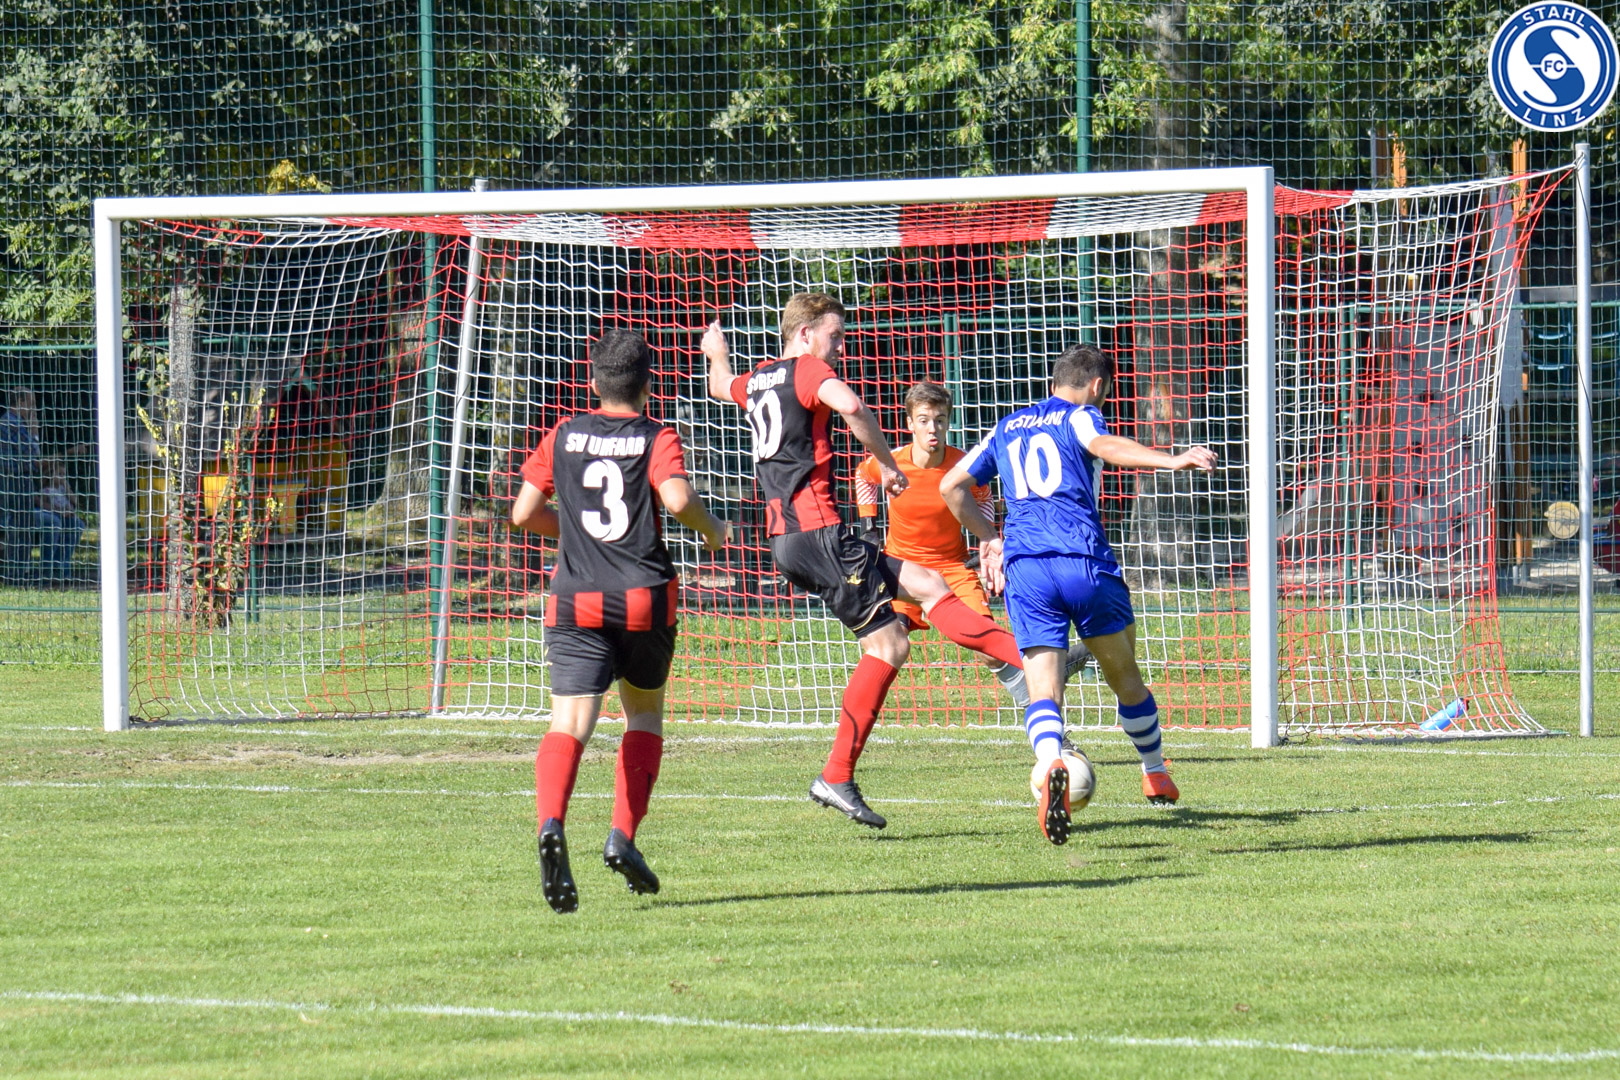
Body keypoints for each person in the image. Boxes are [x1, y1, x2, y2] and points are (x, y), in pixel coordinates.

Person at [703, 292, 1027, 831]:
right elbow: (851, 406)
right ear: (804, 334)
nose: (840, 347)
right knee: (890, 644)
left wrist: (716, 351)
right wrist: (886, 463)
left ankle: (1032, 660)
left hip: (791, 538)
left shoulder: (757, 379)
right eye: (834, 335)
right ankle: (836, 774)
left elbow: (721, 385)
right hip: (818, 534)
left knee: (927, 583)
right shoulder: (807, 369)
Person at [941, 343, 1217, 845]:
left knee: (1044, 691)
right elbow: (1104, 444)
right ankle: (1155, 771)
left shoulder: (1007, 426)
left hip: (1027, 569)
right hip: (1083, 562)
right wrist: (1172, 460)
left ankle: (1051, 762)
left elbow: (951, 487)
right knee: (1125, 677)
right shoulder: (1082, 416)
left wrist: (990, 538)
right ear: (1096, 385)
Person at [511, 330, 731, 914]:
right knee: (644, 713)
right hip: (642, 598)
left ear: (593, 382)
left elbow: (523, 512)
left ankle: (551, 822)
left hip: (575, 598)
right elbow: (677, 499)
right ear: (648, 385)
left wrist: (576, 535)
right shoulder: (656, 435)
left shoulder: (563, 433)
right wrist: (714, 530)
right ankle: (622, 836)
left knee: (569, 722)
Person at [0, 387, 43, 584]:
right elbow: (34, 456)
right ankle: (15, 575)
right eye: (31, 404)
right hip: (15, 482)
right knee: (19, 528)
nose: (33, 409)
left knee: (22, 527)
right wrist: (35, 432)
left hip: (17, 481)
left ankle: (19, 572)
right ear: (20, 403)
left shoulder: (13, 422)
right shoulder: (12, 424)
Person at [34, 457, 83, 582]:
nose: (62, 478)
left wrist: (67, 488)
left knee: (78, 524)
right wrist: (59, 511)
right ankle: (48, 569)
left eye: (64, 475)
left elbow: (75, 502)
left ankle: (62, 568)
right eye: (59, 474)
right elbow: (43, 505)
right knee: (55, 523)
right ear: (51, 474)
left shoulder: (63, 489)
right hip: (54, 514)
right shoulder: (46, 490)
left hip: (66, 515)